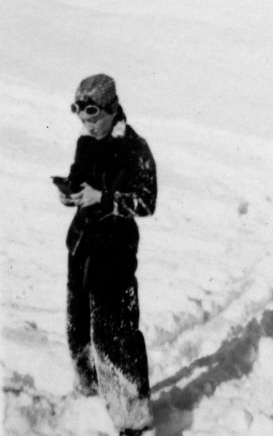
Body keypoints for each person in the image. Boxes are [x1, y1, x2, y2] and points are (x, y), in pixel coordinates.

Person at [58, 74, 157, 436]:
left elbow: (146, 202)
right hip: (82, 247)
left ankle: (132, 418)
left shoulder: (134, 148)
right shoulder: (86, 142)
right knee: (78, 328)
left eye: (94, 117)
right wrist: (70, 193)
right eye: (82, 118)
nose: (87, 125)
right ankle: (89, 393)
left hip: (114, 253)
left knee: (113, 334)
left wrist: (104, 199)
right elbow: (78, 176)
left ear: (112, 109)